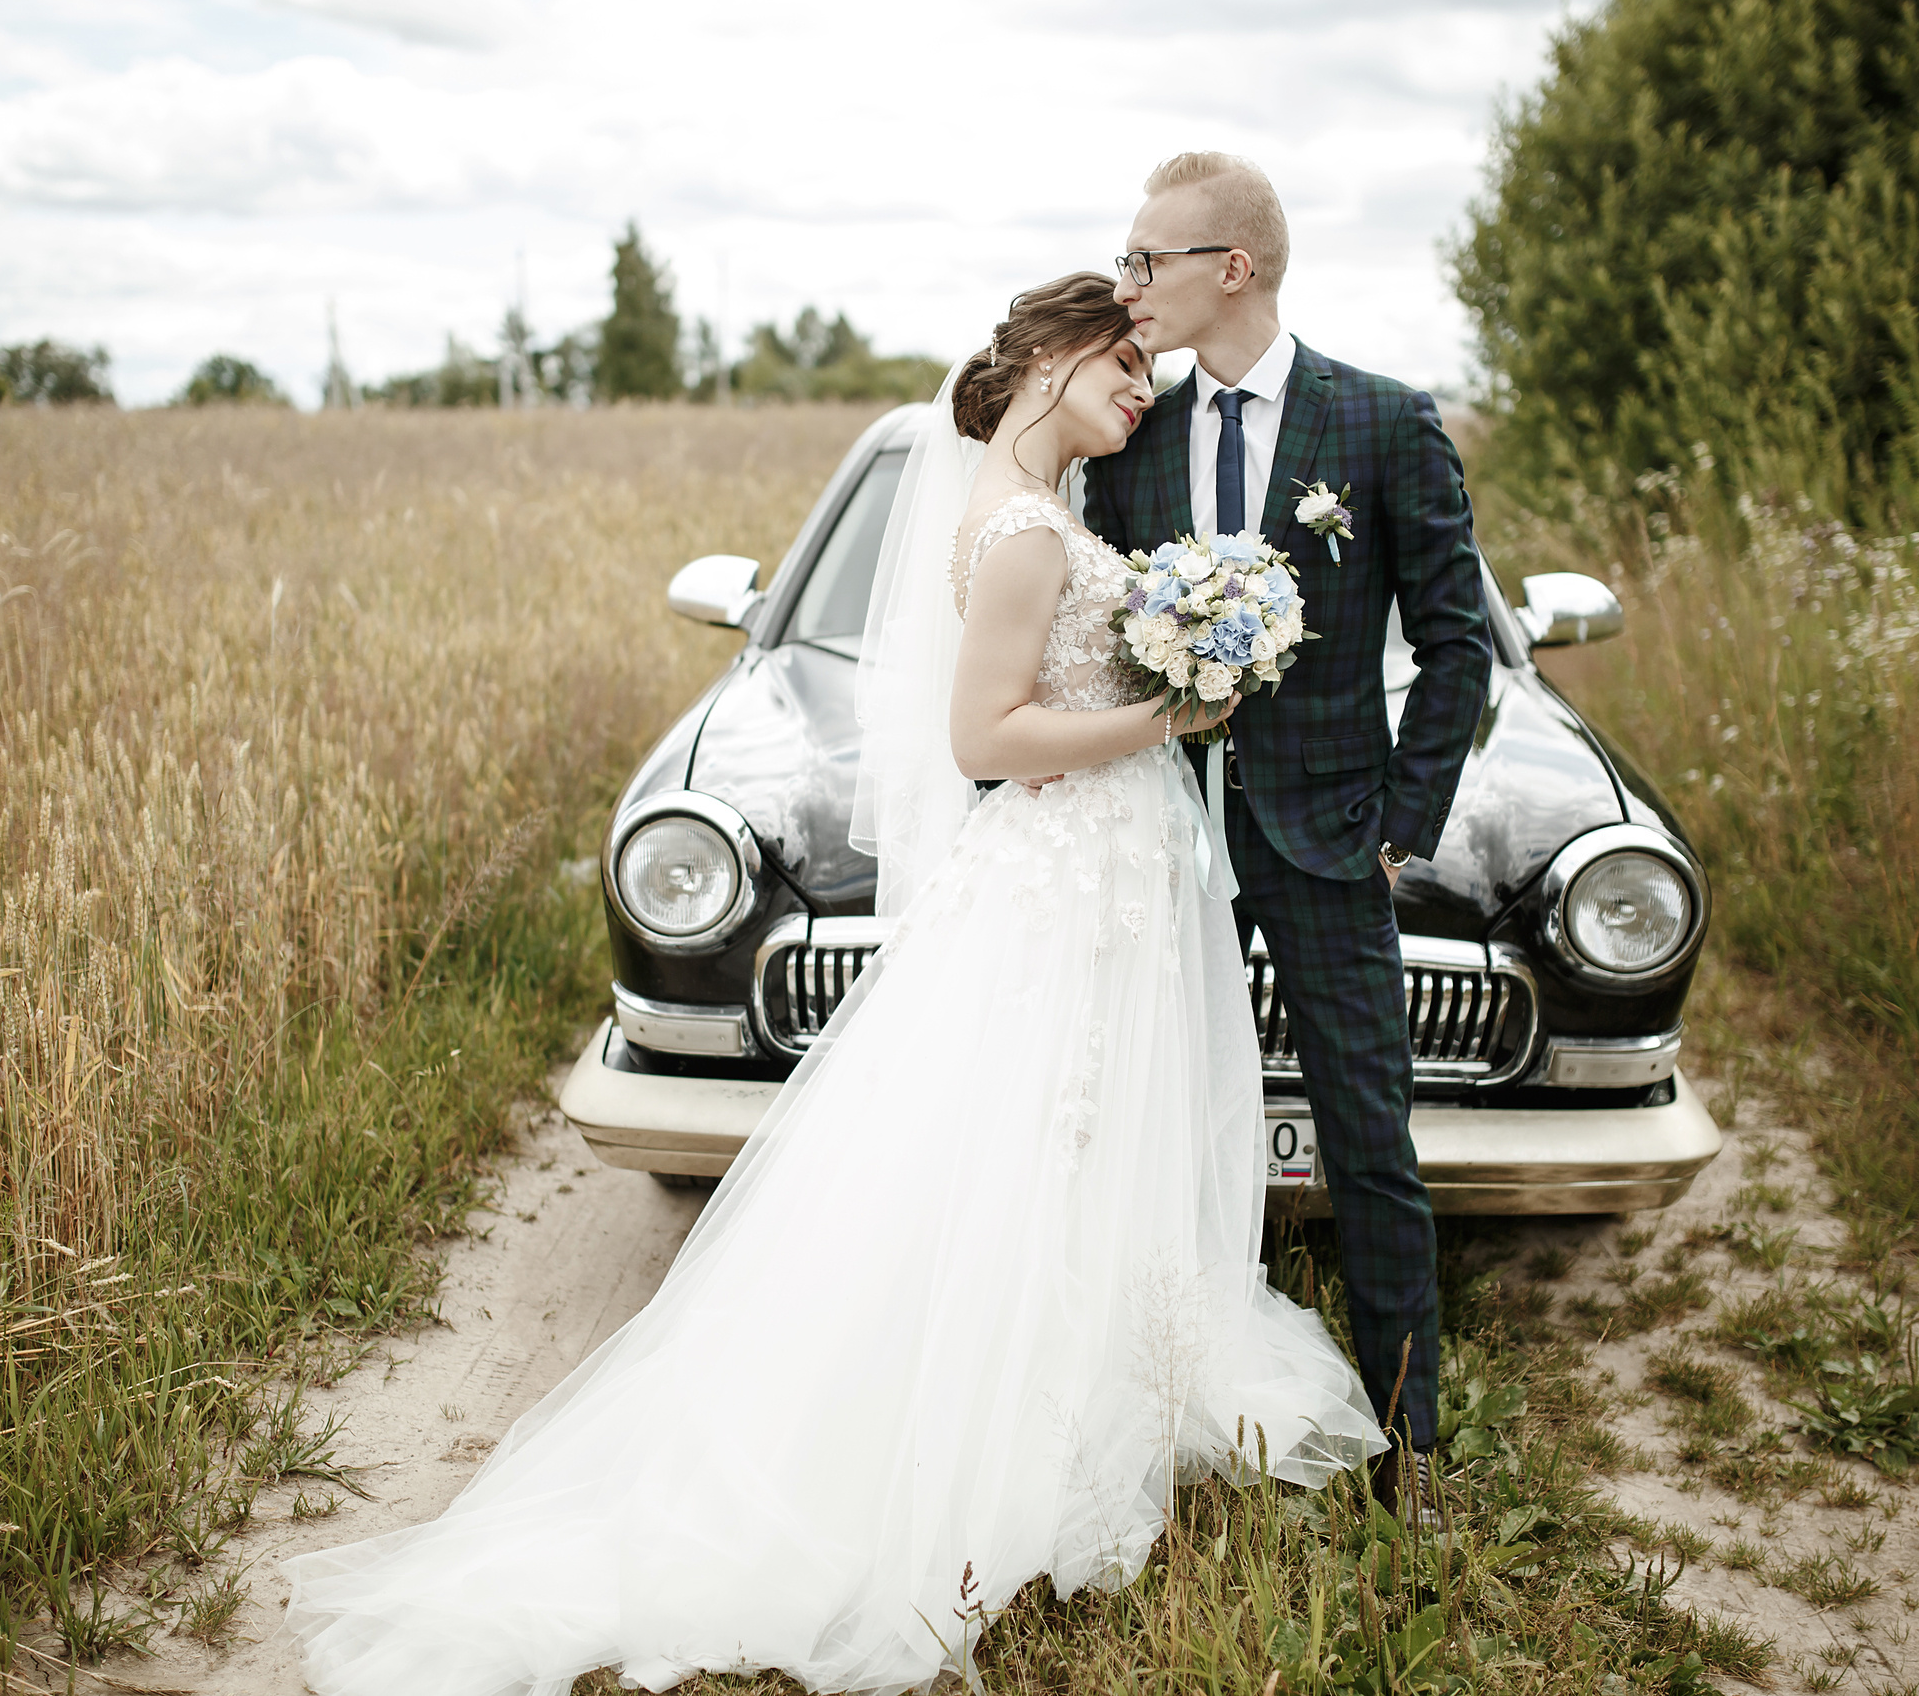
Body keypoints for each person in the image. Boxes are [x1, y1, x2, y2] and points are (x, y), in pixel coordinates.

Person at [278, 272, 1384, 1696]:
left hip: (1099, 863)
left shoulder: (1042, 508)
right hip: (1065, 867)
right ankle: (994, 1428)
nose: (1142, 387)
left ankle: (1090, 1375)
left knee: (1071, 1137)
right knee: (1044, 1131)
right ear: (1050, 353)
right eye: (1124, 361)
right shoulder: (1023, 533)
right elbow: (986, 737)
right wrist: (1171, 709)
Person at [1082, 153, 1494, 1518]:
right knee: (1131, 1126)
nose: (1131, 282)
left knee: (1369, 1141)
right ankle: (1131, 1423)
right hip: (1156, 833)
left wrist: (1401, 830)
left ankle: (1410, 1450)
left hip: (1330, 842)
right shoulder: (1130, 434)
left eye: (1151, 259)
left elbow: (1455, 649)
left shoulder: (1379, 423)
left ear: (1232, 268)